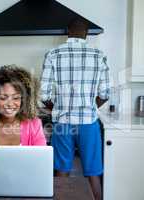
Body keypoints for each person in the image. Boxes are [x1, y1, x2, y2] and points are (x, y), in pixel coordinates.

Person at [40, 18, 110, 200]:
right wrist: (90, 106)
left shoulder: (53, 54)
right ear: (86, 34)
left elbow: (43, 95)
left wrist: (58, 108)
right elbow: (105, 93)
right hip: (89, 123)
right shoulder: (99, 55)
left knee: (62, 172)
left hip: (62, 124)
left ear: (68, 32)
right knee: (93, 172)